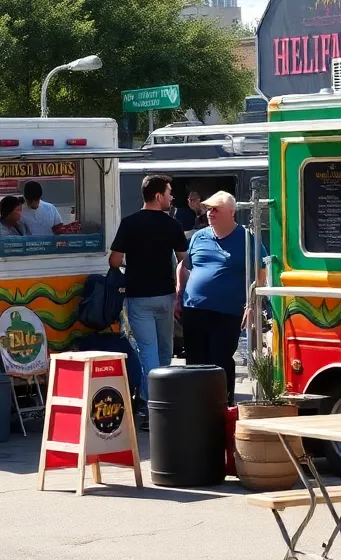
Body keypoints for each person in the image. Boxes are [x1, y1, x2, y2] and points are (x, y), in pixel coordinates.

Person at [109, 175, 188, 428]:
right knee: (165, 351)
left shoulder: (129, 223)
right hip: (165, 295)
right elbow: (184, 259)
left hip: (138, 296)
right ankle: (161, 403)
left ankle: (150, 407)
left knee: (148, 351)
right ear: (158, 196)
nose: (172, 197)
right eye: (169, 192)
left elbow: (113, 260)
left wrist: (129, 264)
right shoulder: (172, 225)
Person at [175, 191, 266, 405]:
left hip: (227, 312)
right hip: (194, 309)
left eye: (216, 209)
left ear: (231, 212)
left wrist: (253, 302)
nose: (209, 213)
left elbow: (262, 269)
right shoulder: (199, 236)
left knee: (221, 360)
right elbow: (184, 266)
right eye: (208, 208)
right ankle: (196, 407)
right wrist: (179, 295)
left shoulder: (246, 238)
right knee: (196, 363)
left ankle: (223, 406)